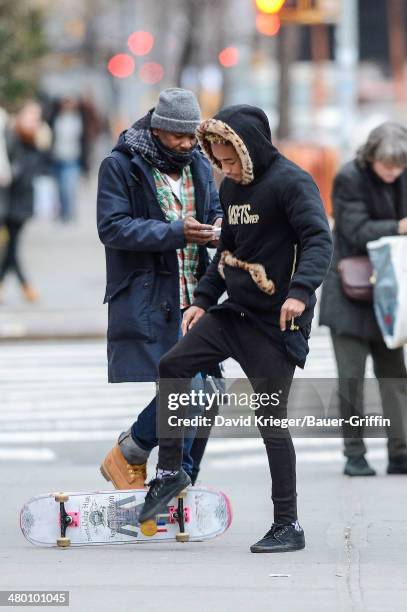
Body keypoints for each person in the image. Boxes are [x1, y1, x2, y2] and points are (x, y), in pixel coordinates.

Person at [138, 104, 333, 553]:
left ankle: (288, 524)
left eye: (230, 160)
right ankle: (170, 473)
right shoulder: (231, 191)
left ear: (251, 149)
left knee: (270, 421)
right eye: (220, 162)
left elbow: (319, 239)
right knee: (174, 364)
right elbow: (226, 251)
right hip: (235, 313)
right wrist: (203, 302)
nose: (225, 169)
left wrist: (300, 292)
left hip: (276, 324)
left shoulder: (290, 182)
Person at [97, 88, 223, 490]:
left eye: (192, 136)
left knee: (209, 393)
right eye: (179, 137)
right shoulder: (121, 166)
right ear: (157, 129)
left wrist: (219, 229)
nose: (188, 144)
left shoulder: (199, 165)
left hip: (196, 298)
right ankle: (150, 463)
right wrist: (175, 231)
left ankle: (160, 465)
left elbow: (215, 209)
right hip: (152, 299)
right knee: (187, 387)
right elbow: (112, 227)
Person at [319, 122, 407, 477]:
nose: (393, 172)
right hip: (348, 290)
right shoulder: (349, 177)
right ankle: (354, 454)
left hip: (389, 293)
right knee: (351, 378)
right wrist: (398, 226)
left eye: (399, 166)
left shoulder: (402, 174)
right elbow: (353, 231)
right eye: (387, 165)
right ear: (371, 157)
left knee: (396, 377)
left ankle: (401, 453)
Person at [0, 101, 51, 303]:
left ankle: (15, 284)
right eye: (29, 116)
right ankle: (25, 285)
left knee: (12, 245)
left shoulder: (37, 139)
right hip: (8, 199)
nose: (32, 121)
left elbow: (43, 164)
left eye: (36, 117)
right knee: (11, 246)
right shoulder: (10, 136)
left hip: (23, 201)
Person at [49, 97, 87, 222]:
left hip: (72, 158)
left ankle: (70, 212)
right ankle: (63, 212)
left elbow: (84, 140)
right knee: (60, 187)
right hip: (58, 157)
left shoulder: (78, 119)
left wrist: (85, 161)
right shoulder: (56, 118)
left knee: (69, 187)